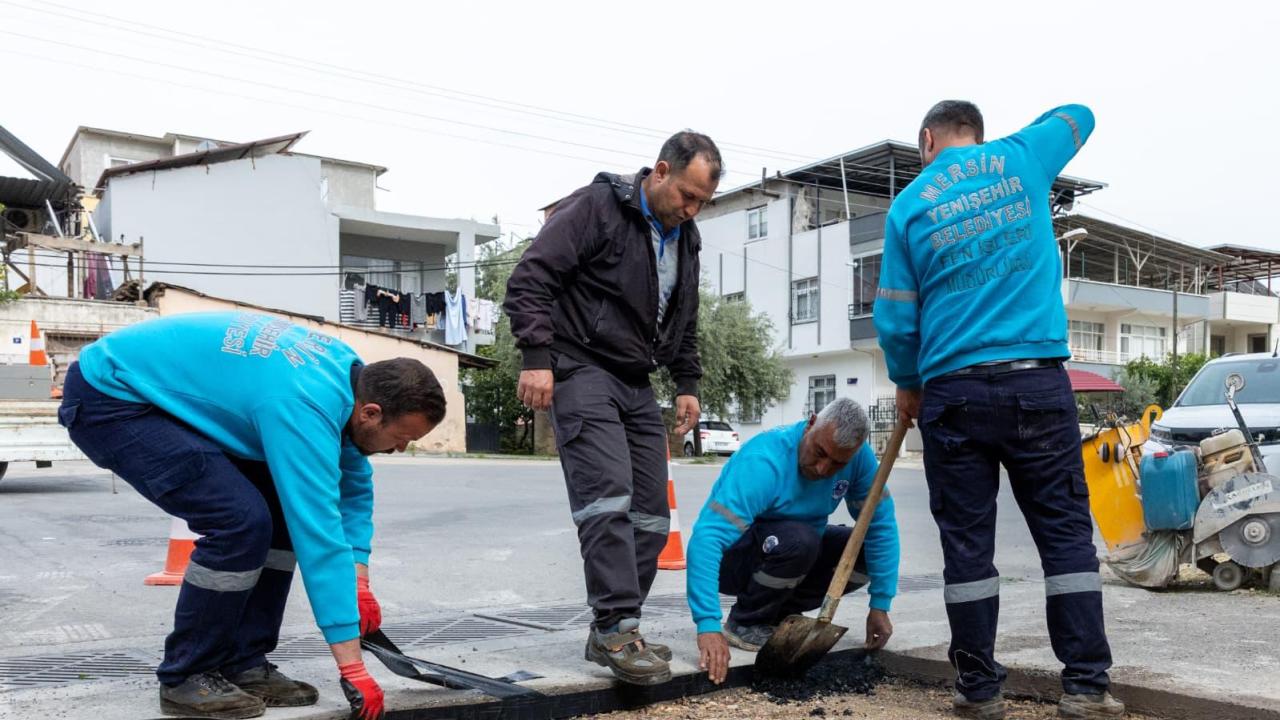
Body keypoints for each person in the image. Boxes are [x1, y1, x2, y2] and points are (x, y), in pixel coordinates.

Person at [58, 312, 447, 720]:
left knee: (277, 519)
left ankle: (244, 661)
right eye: (401, 438)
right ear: (370, 413)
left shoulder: (351, 377)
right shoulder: (303, 403)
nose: (400, 448)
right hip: (114, 398)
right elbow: (320, 536)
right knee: (238, 521)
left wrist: (360, 581)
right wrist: (351, 666)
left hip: (161, 393)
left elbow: (352, 484)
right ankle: (187, 675)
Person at [874, 101, 1124, 720]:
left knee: (967, 549)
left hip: (952, 393)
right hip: (1036, 383)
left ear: (928, 139)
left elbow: (897, 319)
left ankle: (979, 691)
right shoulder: (1022, 156)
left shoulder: (909, 205)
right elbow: (1080, 115)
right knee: (1066, 538)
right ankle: (1086, 688)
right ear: (977, 134)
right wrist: (1018, 141)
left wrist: (908, 383)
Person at [504, 131, 721, 685]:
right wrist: (536, 357)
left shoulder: (685, 236)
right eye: (687, 196)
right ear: (661, 170)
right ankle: (616, 627)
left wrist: (688, 381)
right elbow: (531, 279)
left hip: (635, 379)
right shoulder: (596, 207)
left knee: (650, 514)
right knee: (607, 501)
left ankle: (617, 630)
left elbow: (683, 314)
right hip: (579, 367)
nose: (692, 210)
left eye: (702, 202)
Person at [685, 398, 900, 684]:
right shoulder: (764, 460)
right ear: (811, 424)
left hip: (795, 551)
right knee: (801, 540)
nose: (823, 469)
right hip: (740, 559)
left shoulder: (860, 460)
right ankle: (746, 621)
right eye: (820, 452)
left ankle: (780, 613)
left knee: (861, 551)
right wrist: (707, 623)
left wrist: (881, 604)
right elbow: (707, 538)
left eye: (838, 463)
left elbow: (881, 525)